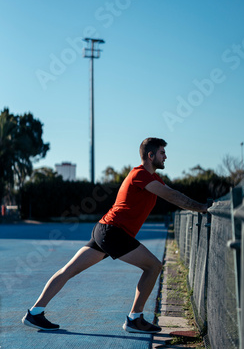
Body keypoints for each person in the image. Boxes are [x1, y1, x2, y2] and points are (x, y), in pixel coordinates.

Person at [22, 138, 209, 333]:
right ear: (150, 155)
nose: (166, 156)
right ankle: (134, 319)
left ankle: (35, 312)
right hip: (113, 232)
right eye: (162, 153)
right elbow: (172, 196)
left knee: (69, 270)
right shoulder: (140, 174)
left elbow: (170, 192)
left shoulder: (154, 179)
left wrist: (197, 206)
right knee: (153, 266)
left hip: (106, 229)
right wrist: (201, 207)